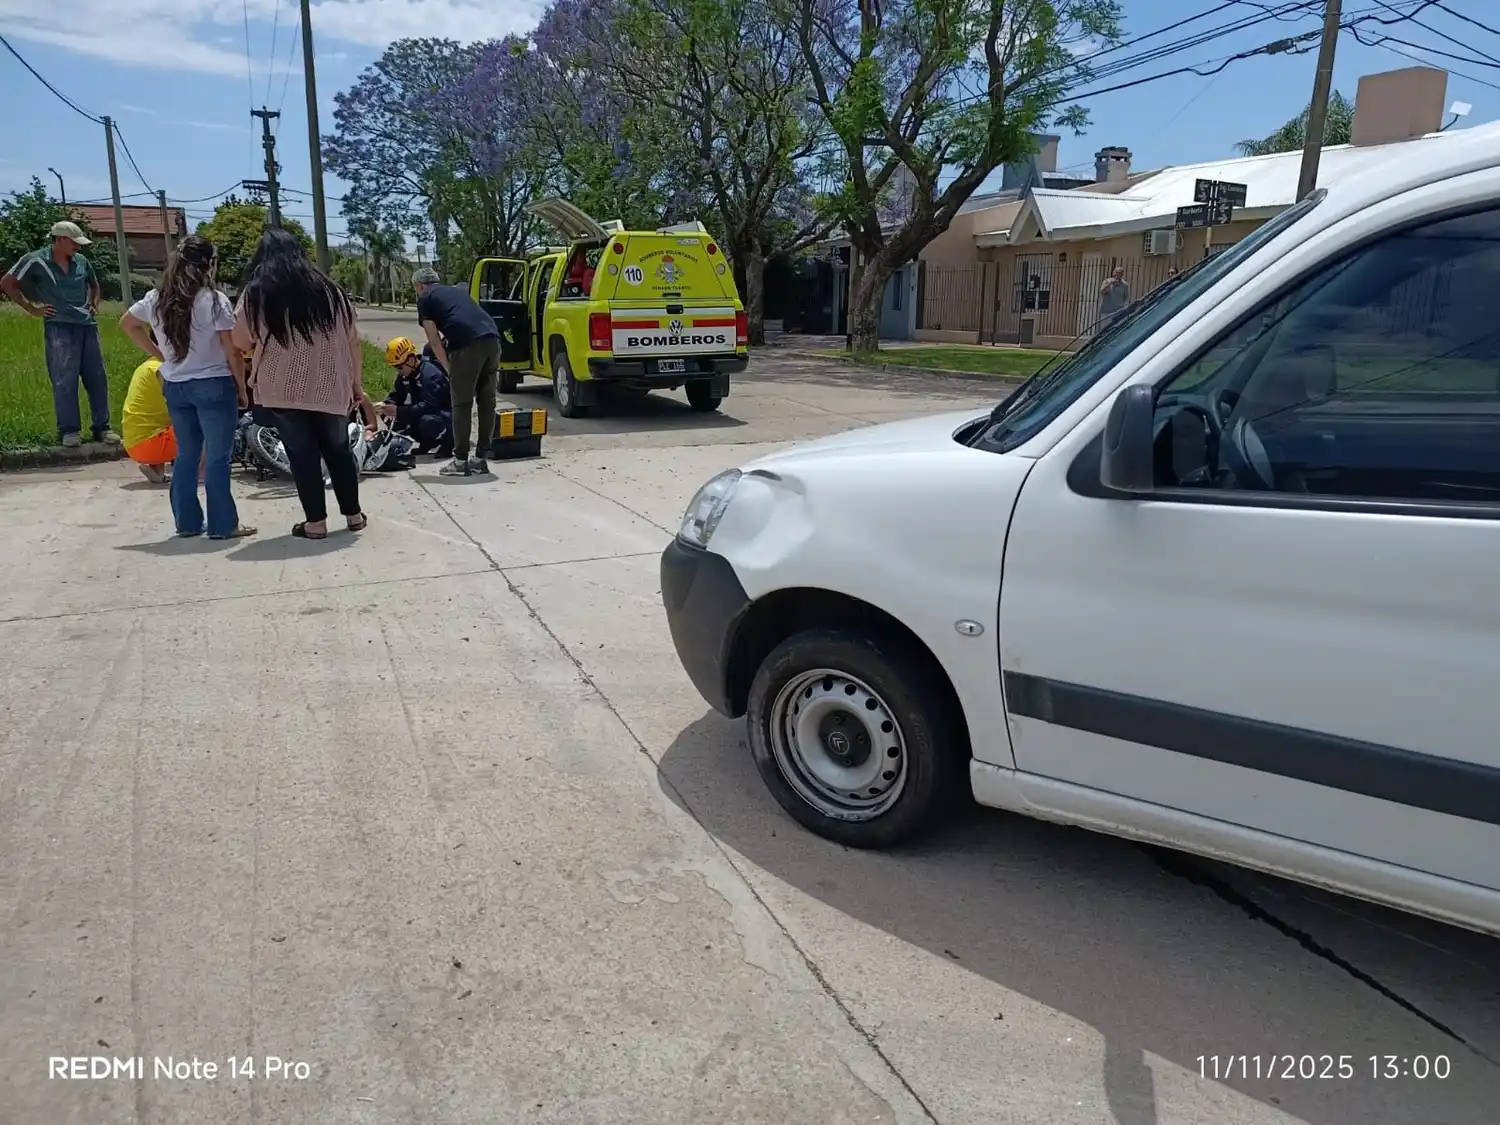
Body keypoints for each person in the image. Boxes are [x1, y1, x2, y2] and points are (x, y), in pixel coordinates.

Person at [232, 228, 368, 540]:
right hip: (332, 385)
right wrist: (356, 384)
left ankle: (315, 524)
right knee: (339, 450)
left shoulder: (257, 292)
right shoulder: (331, 290)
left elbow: (240, 340)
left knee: (302, 454)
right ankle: (354, 516)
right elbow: (353, 342)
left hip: (284, 389)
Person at [121, 235, 256, 540]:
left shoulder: (157, 297)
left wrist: (159, 355)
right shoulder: (214, 299)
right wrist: (241, 387)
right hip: (212, 383)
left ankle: (187, 523)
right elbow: (231, 349)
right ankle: (223, 525)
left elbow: (127, 323)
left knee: (186, 455)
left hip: (176, 384)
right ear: (209, 263)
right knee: (218, 458)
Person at [1, 221, 120, 448]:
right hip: (58, 326)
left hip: (87, 325)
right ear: (60, 239)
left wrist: (94, 304)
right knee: (64, 379)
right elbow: (8, 283)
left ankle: (102, 428)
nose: (78, 247)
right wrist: (32, 308)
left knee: (97, 377)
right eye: (74, 242)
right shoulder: (35, 259)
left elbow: (94, 285)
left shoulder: (82, 262)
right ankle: (69, 431)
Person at [411, 266, 499, 477]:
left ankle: (460, 461)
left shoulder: (425, 298)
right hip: (492, 339)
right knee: (487, 403)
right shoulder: (455, 292)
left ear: (420, 285)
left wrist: (449, 369)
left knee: (461, 403)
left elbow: (433, 341)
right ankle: (480, 459)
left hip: (466, 346)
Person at [380, 336, 452, 455]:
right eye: (395, 367)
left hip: (443, 415)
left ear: (410, 360)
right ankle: (426, 442)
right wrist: (387, 406)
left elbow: (429, 406)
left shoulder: (430, 375)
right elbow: (396, 395)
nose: (398, 371)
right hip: (426, 412)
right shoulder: (405, 375)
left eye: (399, 367)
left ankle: (447, 441)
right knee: (392, 415)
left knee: (426, 421)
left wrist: (399, 411)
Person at [121, 358, 174, 484]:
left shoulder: (146, 367)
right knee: (204, 421)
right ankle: (200, 470)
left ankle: (157, 471)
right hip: (152, 444)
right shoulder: (162, 370)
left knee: (156, 423)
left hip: (133, 444)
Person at [1097, 265, 1130, 331]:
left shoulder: (1124, 285)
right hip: (1106, 311)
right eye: (1116, 272)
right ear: (1113, 273)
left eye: (1119, 273)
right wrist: (1110, 284)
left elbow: (1126, 297)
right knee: (1105, 330)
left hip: (1118, 311)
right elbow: (1102, 292)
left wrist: (1125, 308)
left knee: (1116, 330)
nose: (1117, 274)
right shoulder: (1107, 281)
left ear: (1122, 274)